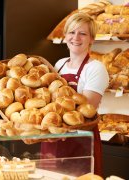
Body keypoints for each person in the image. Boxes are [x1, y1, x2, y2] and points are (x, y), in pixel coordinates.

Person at [41, 12, 109, 176]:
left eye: (83, 33)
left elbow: (87, 111)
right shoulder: (59, 65)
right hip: (53, 138)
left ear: (91, 39)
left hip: (80, 142)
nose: (76, 37)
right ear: (65, 36)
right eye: (72, 32)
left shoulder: (95, 68)